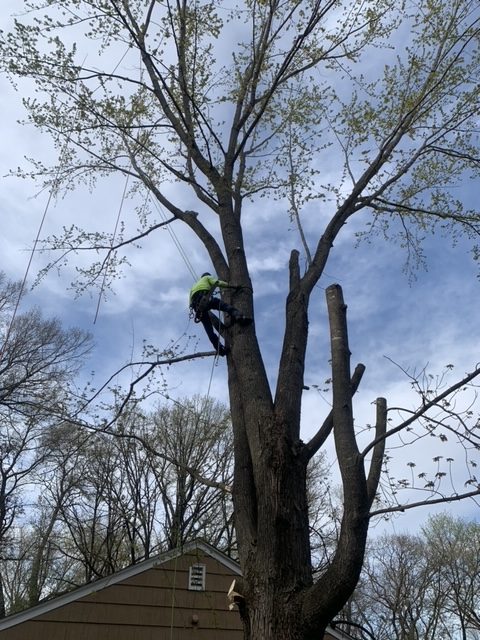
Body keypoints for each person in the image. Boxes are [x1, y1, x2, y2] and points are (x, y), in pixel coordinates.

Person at [189, 272, 250, 356]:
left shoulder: (193, 287)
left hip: (197, 307)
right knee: (224, 306)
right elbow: (217, 283)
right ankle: (238, 316)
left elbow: (190, 303)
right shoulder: (207, 278)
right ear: (207, 276)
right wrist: (232, 286)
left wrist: (194, 310)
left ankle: (219, 349)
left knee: (208, 329)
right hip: (205, 298)